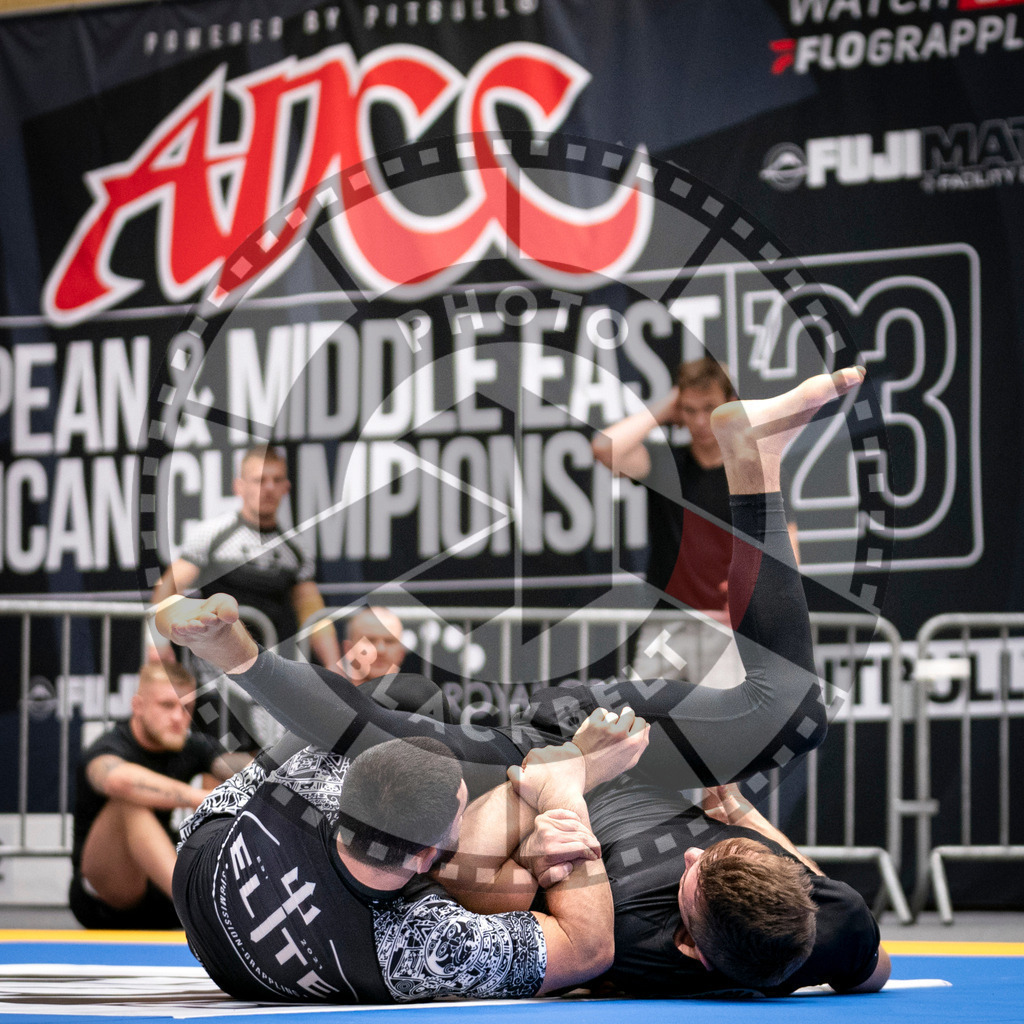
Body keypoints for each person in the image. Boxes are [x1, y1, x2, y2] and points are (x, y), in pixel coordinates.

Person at [155, 367, 864, 995]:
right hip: (597, 756)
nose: (690, 850)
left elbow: (555, 919)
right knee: (794, 708)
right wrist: (736, 818)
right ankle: (754, 460)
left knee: (402, 745)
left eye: (695, 873)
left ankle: (244, 660)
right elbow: (866, 953)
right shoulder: (802, 932)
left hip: (550, 750)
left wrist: (568, 781)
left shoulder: (406, 935)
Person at [592, 357, 798, 687]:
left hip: (729, 628)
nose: (701, 421)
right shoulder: (665, 465)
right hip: (666, 626)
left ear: (731, 405)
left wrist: (755, 590)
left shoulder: (756, 472)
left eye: (710, 407)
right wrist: (665, 407)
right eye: (689, 409)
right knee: (635, 725)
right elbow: (604, 448)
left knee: (726, 733)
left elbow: (788, 555)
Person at [149, 444, 343, 752]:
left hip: (273, 673)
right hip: (218, 673)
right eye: (258, 479)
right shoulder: (211, 536)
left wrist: (334, 663)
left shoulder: (297, 548)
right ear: (239, 486)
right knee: (224, 763)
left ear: (285, 488)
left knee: (274, 763)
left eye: (275, 480)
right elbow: (165, 589)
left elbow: (311, 610)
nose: (267, 488)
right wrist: (157, 650)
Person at [68, 662, 249, 930]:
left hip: (159, 896)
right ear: (138, 706)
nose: (179, 717)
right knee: (129, 800)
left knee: (242, 796)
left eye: (186, 708)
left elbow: (244, 771)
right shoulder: (110, 747)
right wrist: (198, 797)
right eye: (167, 706)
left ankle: (231, 904)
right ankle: (204, 909)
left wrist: (278, 764)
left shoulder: (192, 746)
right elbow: (116, 780)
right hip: (104, 899)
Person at [340, 605, 456, 724]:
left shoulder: (426, 706)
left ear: (401, 652)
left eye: (390, 641)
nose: (380, 650)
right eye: (370, 640)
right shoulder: (332, 702)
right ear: (348, 649)